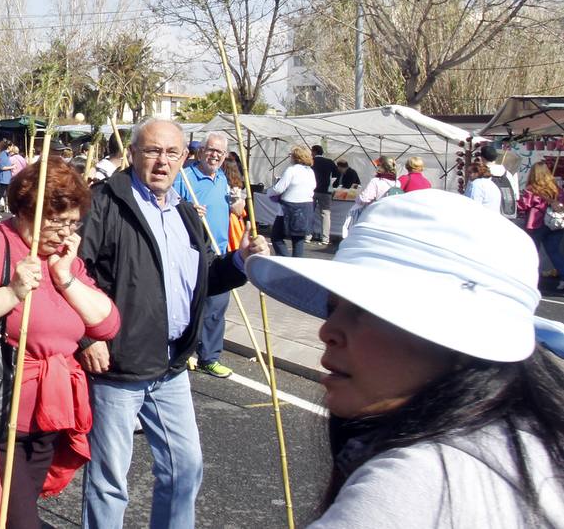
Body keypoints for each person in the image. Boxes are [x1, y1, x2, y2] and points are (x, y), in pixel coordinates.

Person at [246, 189, 564, 527]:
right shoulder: (526, 443)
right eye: (332, 308)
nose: (327, 331)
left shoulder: (418, 485)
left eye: (365, 310)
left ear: (458, 336)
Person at [78, 119, 270, 529]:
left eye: (171, 153)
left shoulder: (185, 212)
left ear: (185, 158)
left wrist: (241, 260)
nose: (162, 162)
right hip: (119, 364)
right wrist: (86, 336)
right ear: (132, 154)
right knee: (110, 480)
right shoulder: (104, 204)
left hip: (172, 364)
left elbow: (205, 276)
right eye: (152, 151)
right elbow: (72, 274)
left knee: (185, 469)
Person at [0, 156, 119, 528]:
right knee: (16, 523)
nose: (66, 234)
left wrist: (65, 278)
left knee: (14, 517)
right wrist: (12, 292)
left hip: (46, 418)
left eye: (73, 223)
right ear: (27, 211)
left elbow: (107, 324)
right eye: (57, 221)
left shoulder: (63, 258)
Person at [174, 132, 244, 379]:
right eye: (211, 150)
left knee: (216, 309)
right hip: (191, 251)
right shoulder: (184, 175)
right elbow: (170, 204)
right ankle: (181, 354)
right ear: (201, 151)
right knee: (187, 306)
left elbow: (236, 211)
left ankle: (210, 358)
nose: (215, 155)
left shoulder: (224, 179)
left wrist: (238, 202)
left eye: (220, 152)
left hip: (219, 251)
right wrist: (188, 209)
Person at [518, 163, 564, 290]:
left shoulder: (532, 189)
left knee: (533, 252)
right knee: (554, 252)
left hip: (536, 223)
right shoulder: (556, 188)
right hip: (555, 224)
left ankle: (531, 280)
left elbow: (523, 205)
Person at [267, 145, 316, 258]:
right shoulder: (310, 171)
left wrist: (270, 192)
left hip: (289, 208)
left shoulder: (292, 170)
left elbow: (279, 188)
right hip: (306, 207)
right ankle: (297, 265)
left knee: (276, 236)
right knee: (298, 239)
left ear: (295, 157)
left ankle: (286, 260)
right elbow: (313, 187)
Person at [309, 144, 341, 245]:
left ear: (314, 152)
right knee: (326, 214)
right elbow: (337, 174)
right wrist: (332, 185)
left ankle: (307, 235)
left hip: (312, 190)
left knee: (310, 212)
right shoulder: (329, 162)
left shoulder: (311, 162)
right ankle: (325, 238)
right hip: (325, 191)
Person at [480, 143, 520, 218]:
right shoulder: (507, 173)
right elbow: (516, 196)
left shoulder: (482, 174)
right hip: (506, 213)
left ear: (482, 158)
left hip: (487, 215)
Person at [0, 139, 13, 213]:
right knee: (0, 194)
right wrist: (12, 167)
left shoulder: (7, 155)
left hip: (8, 178)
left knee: (8, 195)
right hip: (3, 178)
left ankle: (8, 208)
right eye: (12, 146)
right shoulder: (3, 154)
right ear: (9, 147)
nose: (12, 148)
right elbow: (1, 167)